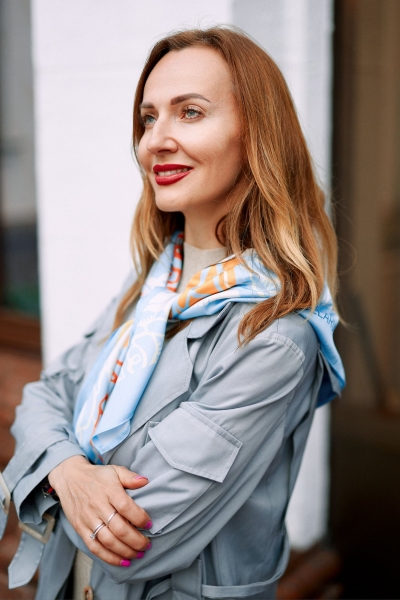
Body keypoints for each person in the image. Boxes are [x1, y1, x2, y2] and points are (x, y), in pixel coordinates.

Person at [0, 26, 345, 600]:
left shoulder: (275, 335)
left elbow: (139, 539)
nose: (154, 141)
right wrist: (70, 473)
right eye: (148, 118)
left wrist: (47, 465)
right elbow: (45, 394)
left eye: (190, 112)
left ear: (256, 134)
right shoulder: (155, 284)